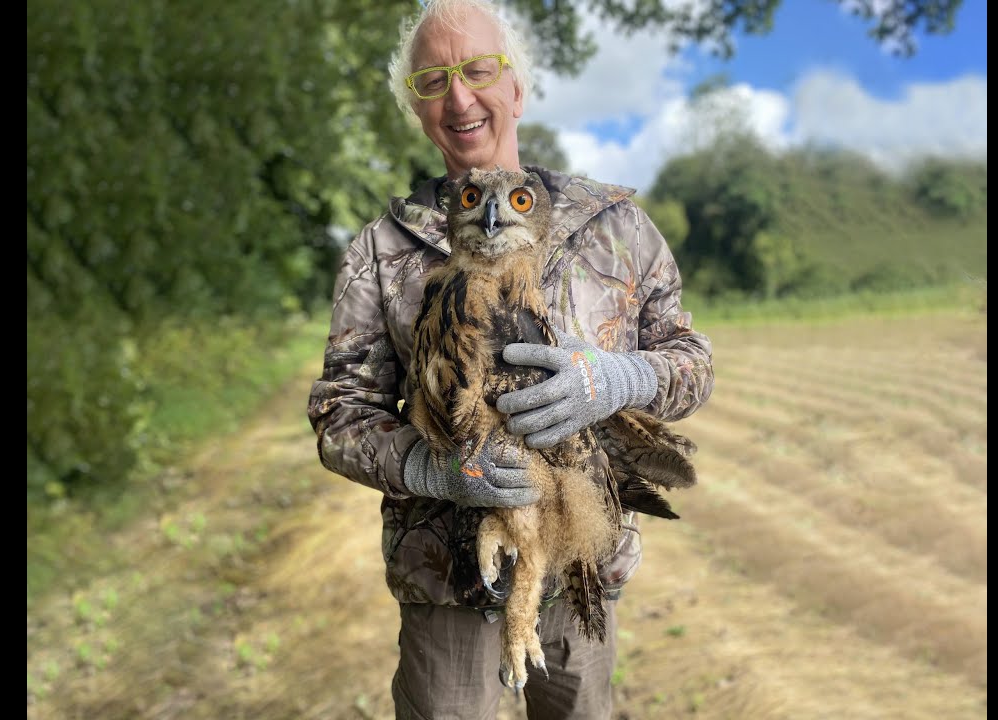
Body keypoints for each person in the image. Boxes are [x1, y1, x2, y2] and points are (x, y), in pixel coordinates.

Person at [306, 1, 714, 717]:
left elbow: (692, 361)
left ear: (517, 89)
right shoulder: (382, 250)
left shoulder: (615, 226)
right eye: (433, 79)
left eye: (478, 70)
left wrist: (622, 378)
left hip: (581, 557)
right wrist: (429, 468)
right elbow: (339, 413)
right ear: (418, 108)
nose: (458, 95)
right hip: (444, 575)